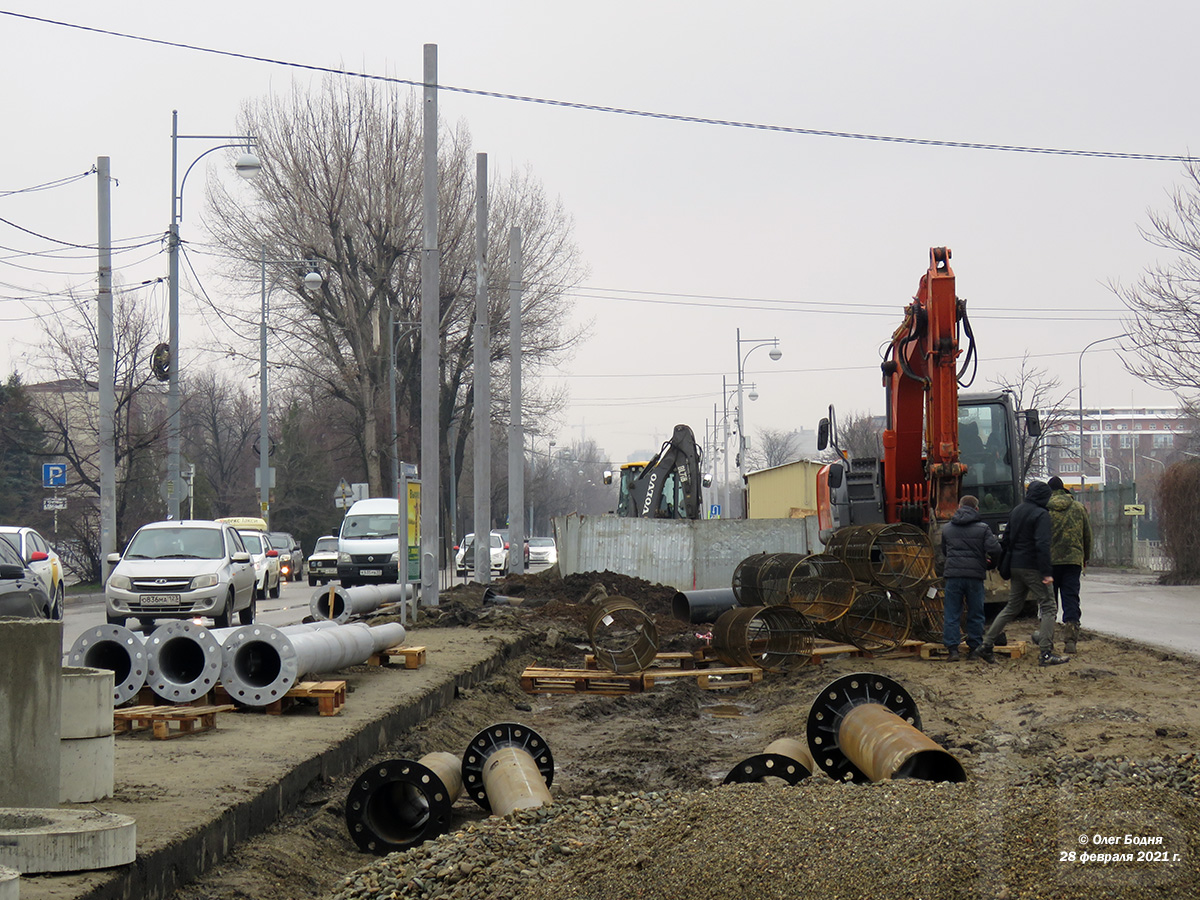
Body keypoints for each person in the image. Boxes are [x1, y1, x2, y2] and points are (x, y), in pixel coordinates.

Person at [979, 480, 1069, 667]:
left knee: (1012, 607)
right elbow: (1042, 544)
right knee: (1049, 606)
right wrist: (1046, 572)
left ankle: (986, 645)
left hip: (1015, 566)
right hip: (1033, 566)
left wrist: (1006, 564)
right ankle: (1045, 653)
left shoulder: (1016, 511)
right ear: (1044, 497)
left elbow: (1006, 540)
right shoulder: (1041, 514)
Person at [939, 495, 1003, 662]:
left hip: (953, 576)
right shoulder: (983, 528)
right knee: (975, 612)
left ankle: (953, 650)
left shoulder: (947, 528)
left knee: (952, 612)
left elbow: (945, 552)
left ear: (958, 507)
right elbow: (995, 549)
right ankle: (974, 649)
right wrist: (989, 564)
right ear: (976, 509)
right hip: (975, 576)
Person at [1046, 475, 1093, 653]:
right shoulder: (1078, 508)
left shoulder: (1044, 509)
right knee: (1071, 598)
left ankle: (1047, 639)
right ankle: (1070, 640)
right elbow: (1087, 535)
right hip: (1073, 561)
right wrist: (1085, 558)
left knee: (1049, 602)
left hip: (1049, 563)